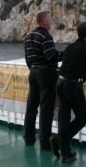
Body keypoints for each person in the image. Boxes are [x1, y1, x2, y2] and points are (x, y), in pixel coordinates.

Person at [50, 22, 86, 163]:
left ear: (78, 33)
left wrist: (85, 63)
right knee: (81, 118)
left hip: (60, 83)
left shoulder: (70, 47)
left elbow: (70, 62)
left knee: (64, 120)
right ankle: (58, 141)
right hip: (73, 87)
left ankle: (65, 152)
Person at [23, 11, 63, 150]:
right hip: (46, 75)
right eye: (50, 19)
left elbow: (27, 58)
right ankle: (45, 142)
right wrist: (65, 55)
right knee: (46, 110)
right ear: (44, 21)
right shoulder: (45, 36)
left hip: (33, 73)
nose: (51, 22)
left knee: (31, 108)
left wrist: (34, 69)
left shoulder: (28, 36)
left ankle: (28, 138)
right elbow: (51, 56)